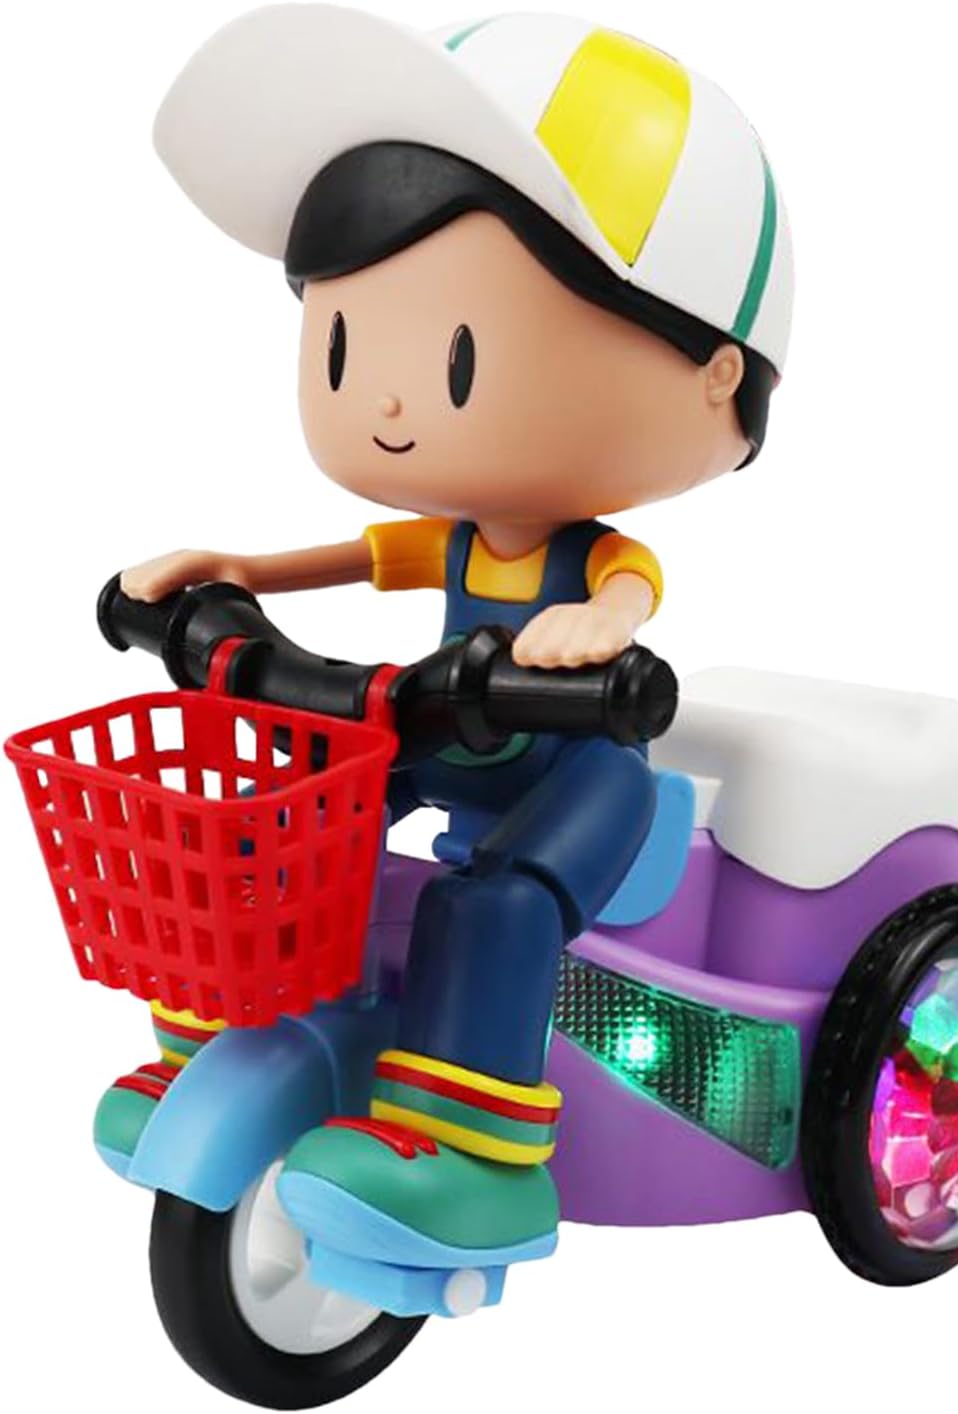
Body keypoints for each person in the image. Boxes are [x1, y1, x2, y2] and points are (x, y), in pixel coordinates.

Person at [96, 5, 794, 1300]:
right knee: (289, 827)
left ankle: (479, 1153)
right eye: (345, 342)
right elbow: (355, 557)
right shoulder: (451, 539)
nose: (389, 398)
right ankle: (222, 1037)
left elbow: (626, 597)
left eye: (460, 351)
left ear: (714, 374)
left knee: (498, 903)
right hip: (445, 735)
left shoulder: (597, 559)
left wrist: (596, 635)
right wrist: (234, 571)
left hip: (581, 771)